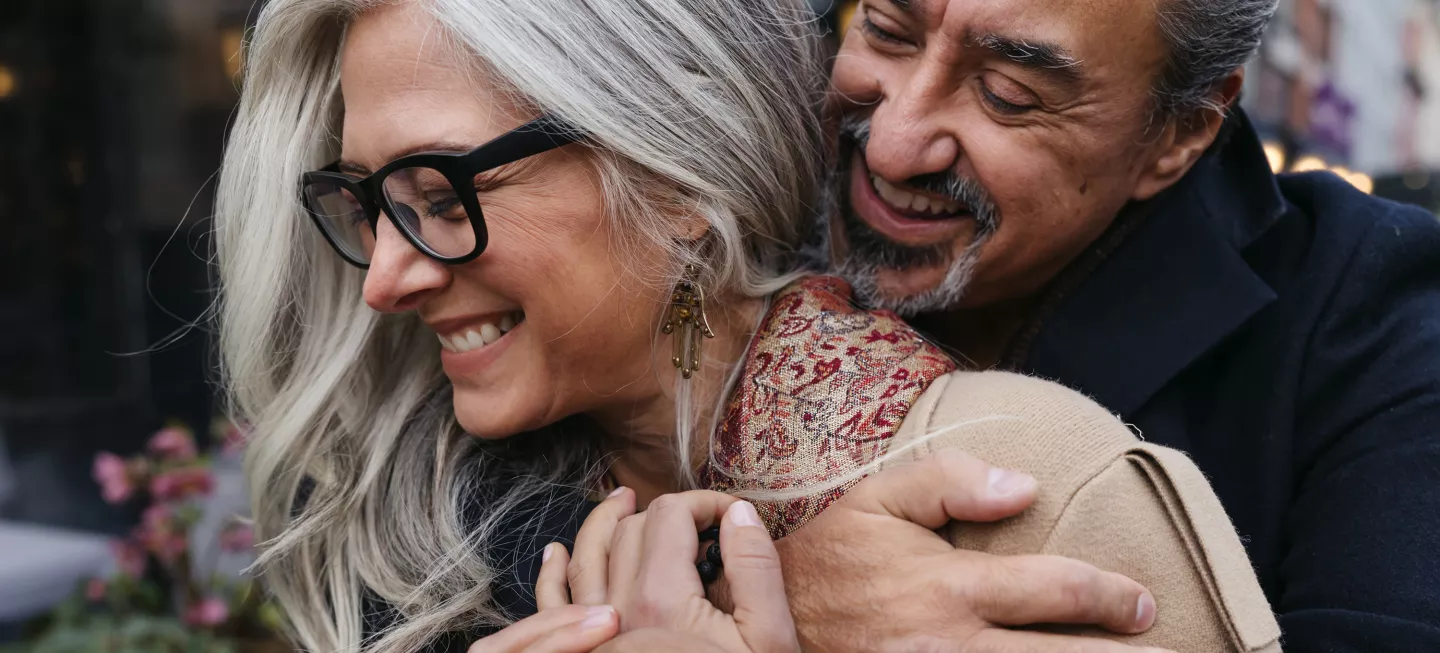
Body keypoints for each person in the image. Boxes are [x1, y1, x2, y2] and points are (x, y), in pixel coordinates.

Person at [217, 0, 1286, 652]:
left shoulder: (1029, 490)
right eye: (370, 204)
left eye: (443, 195)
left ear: (676, 173)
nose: (385, 279)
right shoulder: (419, 510)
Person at [798, 0, 1440, 650]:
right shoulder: (721, 204)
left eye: (1007, 95)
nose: (891, 143)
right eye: (883, 30)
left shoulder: (1375, 326)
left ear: (1178, 133)